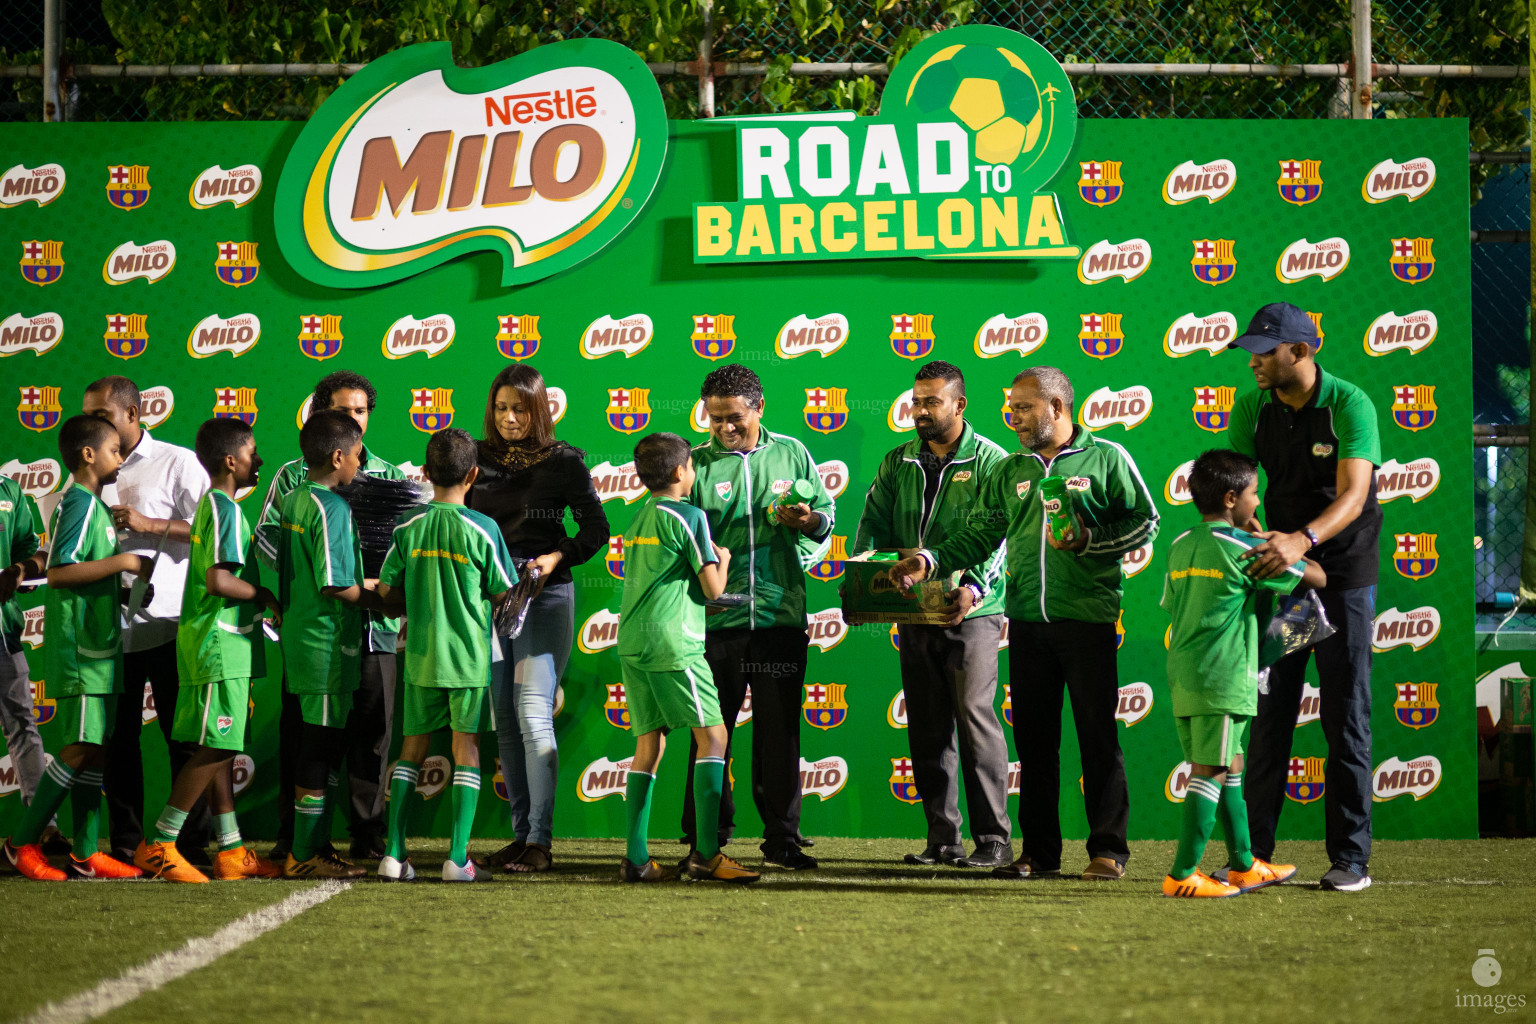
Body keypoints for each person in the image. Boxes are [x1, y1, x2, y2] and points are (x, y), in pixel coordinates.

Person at [890, 366, 1158, 882]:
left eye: (1023, 408)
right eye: (1010, 408)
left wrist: (1088, 541)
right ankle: (1039, 853)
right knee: (1035, 744)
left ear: (1057, 408)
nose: (1012, 417)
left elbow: (1144, 519)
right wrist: (929, 561)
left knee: (1097, 738)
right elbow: (978, 537)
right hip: (1027, 623)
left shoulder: (1106, 457)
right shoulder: (1011, 469)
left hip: (1087, 622)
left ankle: (1108, 849)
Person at [1226, 302, 1383, 893]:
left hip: (1342, 575)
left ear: (1302, 351)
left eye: (1265, 352)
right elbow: (1242, 489)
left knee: (1346, 714)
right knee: (1272, 713)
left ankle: (1350, 858)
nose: (1254, 364)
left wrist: (1304, 540)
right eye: (1251, 352)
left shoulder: (1349, 403)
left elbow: (1353, 494)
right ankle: (1253, 856)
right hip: (1286, 578)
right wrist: (1262, 537)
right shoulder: (1252, 407)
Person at [852, 361, 1013, 868]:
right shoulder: (897, 460)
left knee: (975, 719)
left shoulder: (993, 461)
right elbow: (872, 528)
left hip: (974, 611)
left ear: (959, 405)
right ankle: (943, 839)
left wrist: (973, 585)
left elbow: (999, 534)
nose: (919, 411)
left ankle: (994, 841)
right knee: (926, 725)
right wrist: (865, 584)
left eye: (931, 402)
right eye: (916, 401)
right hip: (913, 614)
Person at [684, 364, 836, 870]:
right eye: (714, 418)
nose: (724, 428)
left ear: (759, 408)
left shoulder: (792, 452)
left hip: (779, 619)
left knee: (781, 733)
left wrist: (808, 521)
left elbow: (825, 521)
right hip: (714, 624)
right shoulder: (694, 464)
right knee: (709, 733)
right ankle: (706, 837)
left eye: (734, 418)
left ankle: (782, 839)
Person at [1159, 449, 1321, 898]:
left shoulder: (1180, 545)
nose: (1258, 502)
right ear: (1232, 497)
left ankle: (1245, 864)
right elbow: (1320, 577)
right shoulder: (1250, 549)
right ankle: (1182, 874)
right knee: (1210, 770)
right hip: (1227, 675)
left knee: (1230, 764)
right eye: (1254, 494)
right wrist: (1270, 536)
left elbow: (1174, 606)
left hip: (1186, 673)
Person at [256, 370, 403, 861]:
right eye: (343, 412)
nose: (354, 420)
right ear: (322, 417)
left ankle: (366, 834)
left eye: (360, 411)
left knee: (370, 738)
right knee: (309, 738)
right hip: (318, 629)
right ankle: (298, 841)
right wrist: (316, 580)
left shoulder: (389, 477)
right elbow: (268, 542)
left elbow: (400, 554)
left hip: (373, 632)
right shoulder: (294, 479)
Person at [469, 365, 607, 874]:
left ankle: (540, 843)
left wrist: (555, 559)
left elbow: (596, 530)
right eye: (501, 408)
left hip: (546, 598)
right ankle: (521, 835)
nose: (509, 418)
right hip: (492, 600)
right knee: (504, 720)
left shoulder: (564, 461)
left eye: (520, 409)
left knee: (531, 713)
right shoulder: (475, 458)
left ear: (539, 408)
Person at [134, 418, 282, 883]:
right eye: (252, 452)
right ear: (231, 461)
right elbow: (219, 580)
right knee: (217, 745)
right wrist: (264, 595)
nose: (258, 460)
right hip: (219, 642)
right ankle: (160, 841)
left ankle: (231, 848)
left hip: (215, 642)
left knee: (216, 744)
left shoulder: (214, 505)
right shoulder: (224, 508)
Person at [2, 415, 146, 880]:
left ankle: (85, 854)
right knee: (82, 745)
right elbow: (59, 573)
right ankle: (19, 843)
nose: (121, 458)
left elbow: (84, 572)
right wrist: (123, 561)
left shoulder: (97, 507)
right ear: (88, 455)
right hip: (81, 651)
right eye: (113, 450)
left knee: (97, 748)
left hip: (101, 647)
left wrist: (119, 590)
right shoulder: (79, 503)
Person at [82, 375, 213, 866]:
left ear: (133, 415)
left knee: (184, 739)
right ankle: (125, 844)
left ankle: (189, 845)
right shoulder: (89, 470)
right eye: (89, 416)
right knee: (118, 744)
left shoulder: (175, 461)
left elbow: (210, 529)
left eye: (102, 416)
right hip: (111, 630)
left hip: (170, 625)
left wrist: (148, 524)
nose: (94, 425)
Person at [377, 428, 517, 884]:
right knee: (466, 750)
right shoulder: (484, 528)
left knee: (410, 750)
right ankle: (458, 859)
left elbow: (385, 592)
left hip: (418, 656)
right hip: (468, 660)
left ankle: (394, 856)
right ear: (473, 474)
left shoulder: (407, 527)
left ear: (423, 473)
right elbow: (504, 593)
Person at [617, 432, 758, 885]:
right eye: (692, 467)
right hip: (674, 645)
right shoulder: (690, 515)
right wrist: (725, 557)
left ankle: (636, 858)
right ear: (681, 472)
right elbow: (714, 590)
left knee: (649, 745)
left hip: (632, 643)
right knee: (714, 739)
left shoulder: (638, 518)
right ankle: (707, 855)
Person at [274, 410, 380, 879]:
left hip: (303, 642)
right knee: (318, 748)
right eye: (357, 455)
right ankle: (303, 854)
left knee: (324, 745)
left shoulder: (294, 498)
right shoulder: (331, 507)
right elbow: (336, 585)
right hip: (326, 647)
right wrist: (385, 602)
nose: (359, 463)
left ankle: (315, 845)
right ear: (338, 456)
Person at [1, 472, 48, 814]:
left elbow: (27, 551)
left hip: (4, 630)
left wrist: (20, 572)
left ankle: (42, 828)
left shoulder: (8, 489)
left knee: (22, 724)